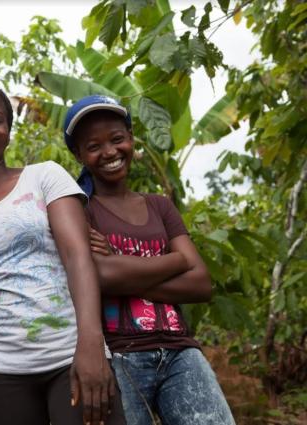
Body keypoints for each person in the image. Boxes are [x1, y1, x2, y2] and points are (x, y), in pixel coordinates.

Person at [0, 83, 125, 425]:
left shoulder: (44, 177)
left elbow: (78, 256)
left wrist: (92, 346)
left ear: (7, 132)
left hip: (72, 356)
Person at [63, 95, 235, 425]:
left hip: (180, 350)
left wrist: (126, 270)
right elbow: (102, 277)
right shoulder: (79, 210)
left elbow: (201, 284)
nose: (110, 152)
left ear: (131, 139)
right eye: (94, 146)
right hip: (118, 355)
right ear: (79, 155)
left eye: (117, 139)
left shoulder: (160, 206)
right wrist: (177, 261)